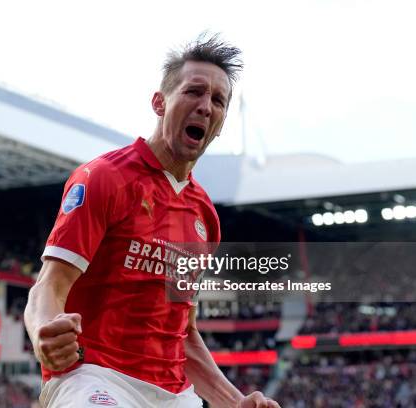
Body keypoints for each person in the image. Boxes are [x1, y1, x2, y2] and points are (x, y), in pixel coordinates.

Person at [24, 33, 281, 408]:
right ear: (159, 102)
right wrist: (42, 331)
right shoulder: (104, 178)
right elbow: (47, 285)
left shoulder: (204, 215)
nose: (205, 106)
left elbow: (182, 332)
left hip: (175, 394)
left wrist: (234, 400)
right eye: (193, 92)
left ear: (222, 122)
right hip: (96, 376)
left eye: (218, 100)